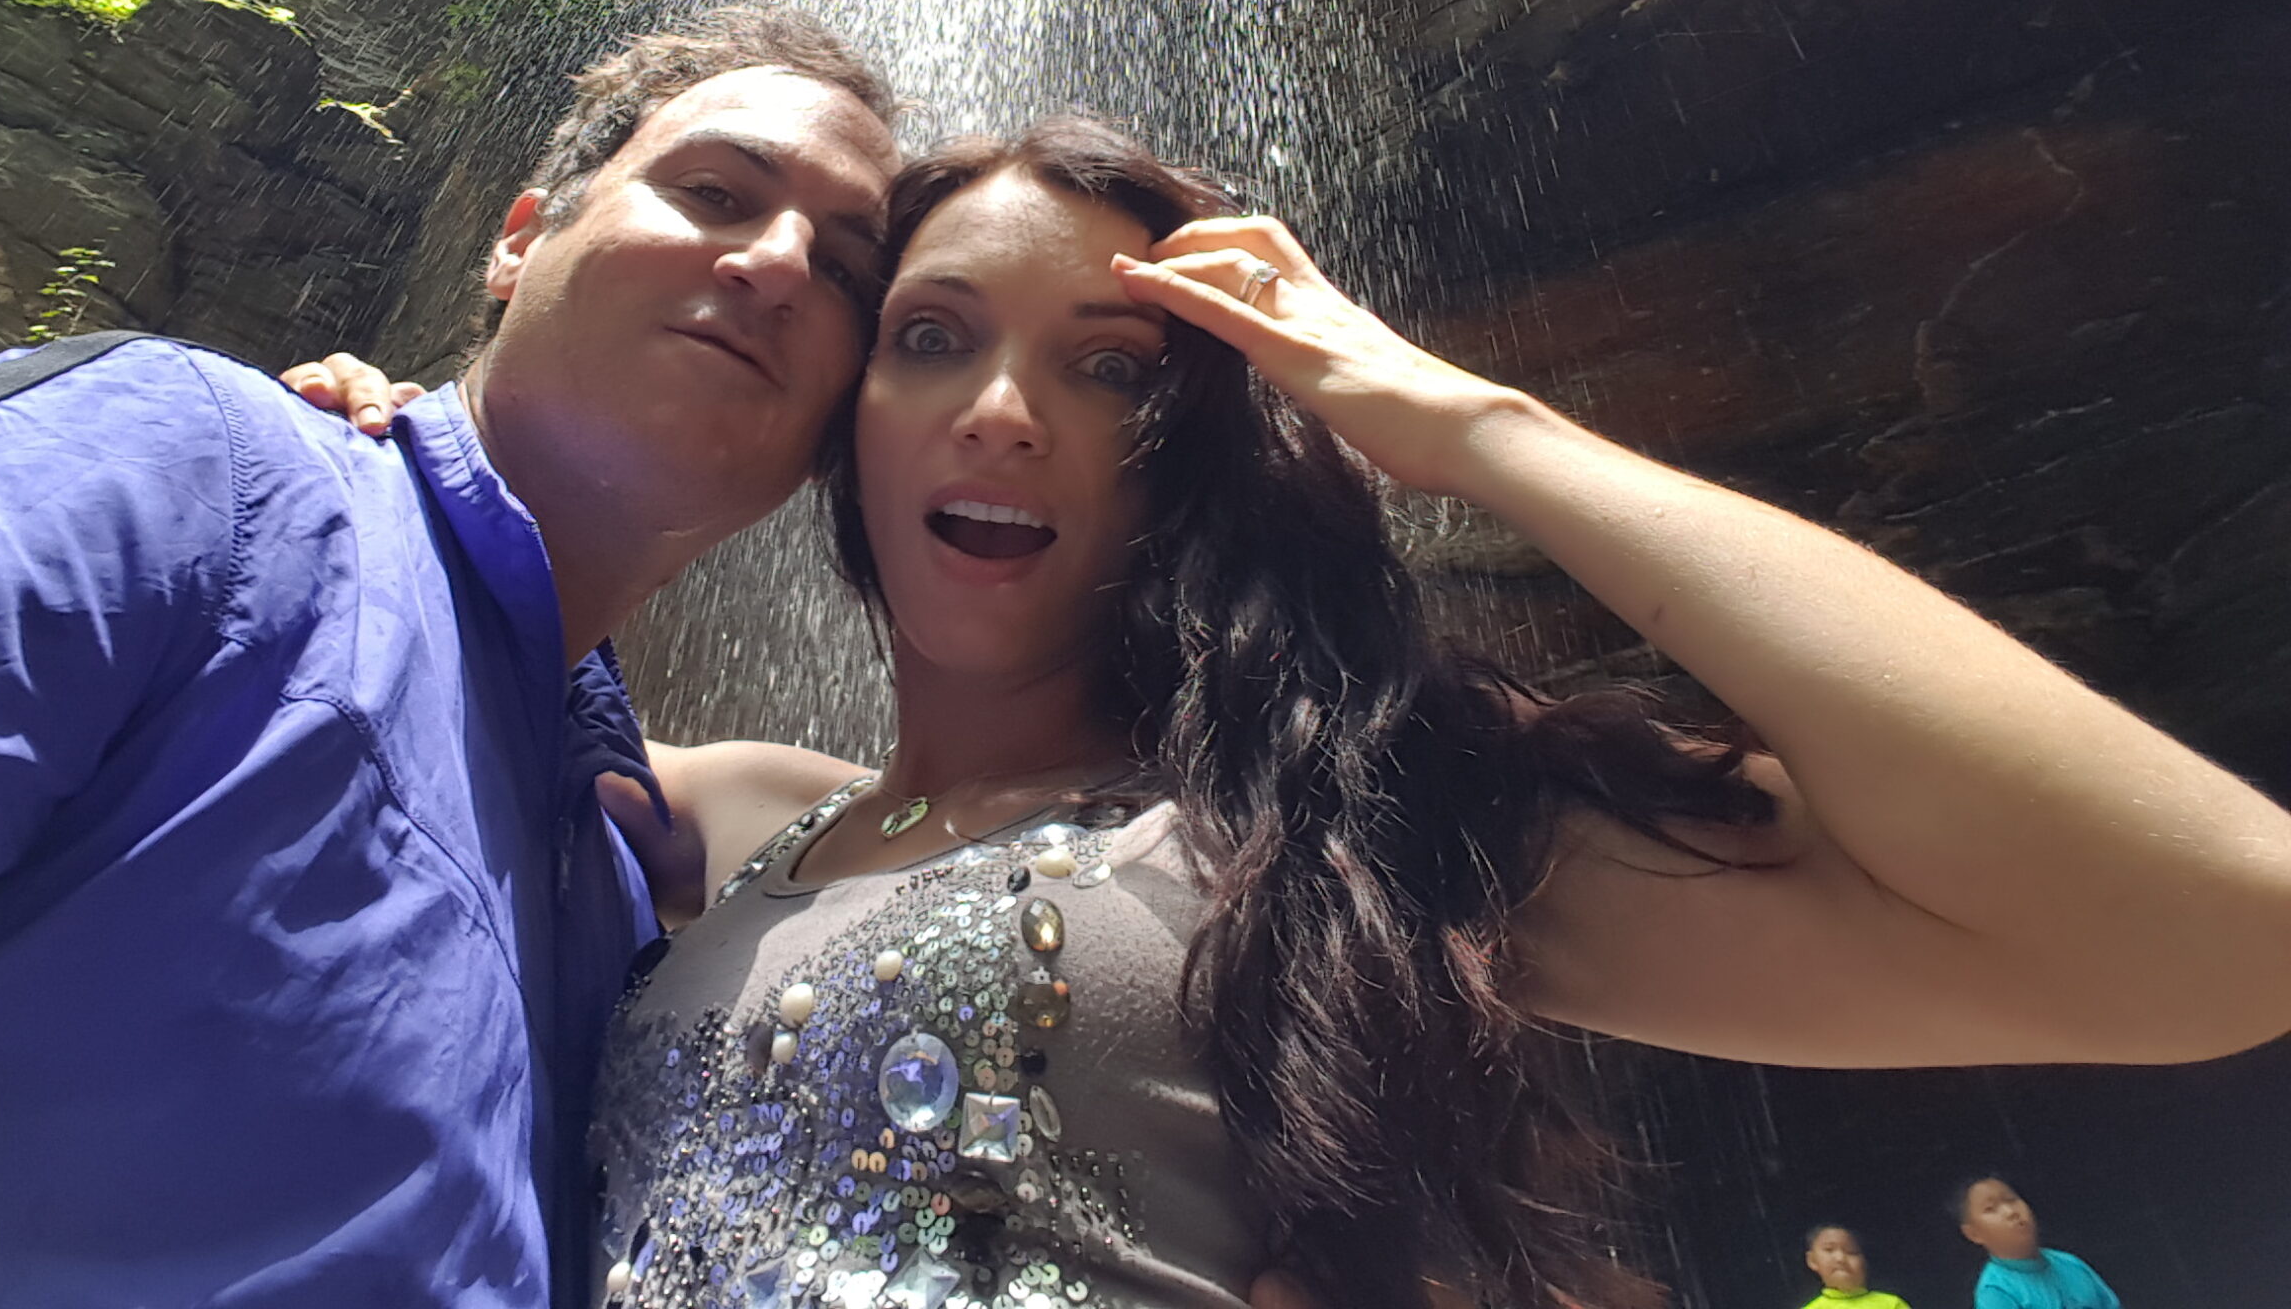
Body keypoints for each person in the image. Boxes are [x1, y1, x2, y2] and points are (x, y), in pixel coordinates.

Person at [303, 117, 2291, 1309]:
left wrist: (1464, 427)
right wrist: (375, 478)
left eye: (1110, 366)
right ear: (848, 424)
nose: (1005, 412)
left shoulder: (1327, 833)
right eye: (929, 340)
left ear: (1188, 457)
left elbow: (2213, 924)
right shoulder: (713, 823)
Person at [0, 7, 899, 1308]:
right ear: (520, 240)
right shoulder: (187, 473)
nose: (783, 262)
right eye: (715, 191)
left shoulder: (626, 906)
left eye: (851, 274)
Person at [1955, 1178, 2120, 1309]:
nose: (2011, 1212)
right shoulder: (1996, 1291)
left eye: (2011, 1200)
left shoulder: (2070, 1263)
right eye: (1991, 1208)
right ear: (1974, 1234)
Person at [1798, 1224, 1910, 1309]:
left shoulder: (1892, 1304)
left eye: (1851, 1251)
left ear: (1865, 1262)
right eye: (1829, 1250)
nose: (1840, 1258)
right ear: (1812, 1260)